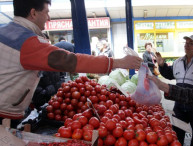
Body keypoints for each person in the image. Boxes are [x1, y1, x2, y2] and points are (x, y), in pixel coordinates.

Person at [0, 0, 142, 123]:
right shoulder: (27, 42)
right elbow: (70, 60)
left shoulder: (6, 33)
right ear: (33, 13)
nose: (48, 18)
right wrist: (117, 62)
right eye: (46, 12)